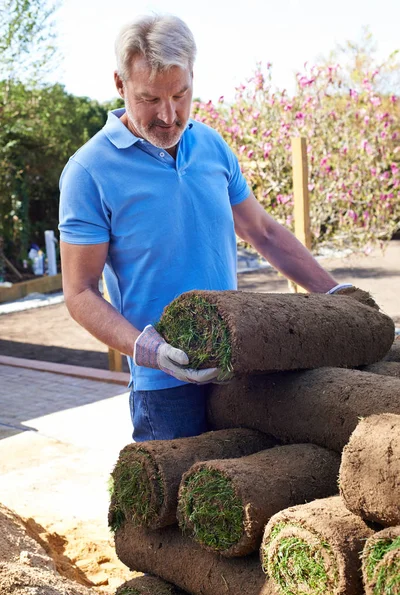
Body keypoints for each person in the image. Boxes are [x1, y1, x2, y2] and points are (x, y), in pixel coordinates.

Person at [59, 14, 352, 442]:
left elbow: (263, 232)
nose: (168, 115)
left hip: (236, 367)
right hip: (163, 390)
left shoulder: (211, 145)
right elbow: (80, 291)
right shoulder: (89, 170)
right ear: (120, 86)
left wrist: (336, 295)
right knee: (177, 505)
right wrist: (150, 351)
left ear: (193, 78)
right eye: (150, 98)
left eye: (181, 94)